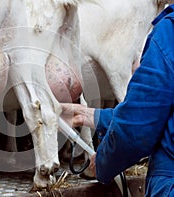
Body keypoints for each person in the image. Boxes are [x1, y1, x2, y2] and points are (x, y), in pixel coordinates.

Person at [61, 4, 174, 197]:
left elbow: (136, 130)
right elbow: (155, 115)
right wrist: (92, 116)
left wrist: (103, 162)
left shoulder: (170, 34)